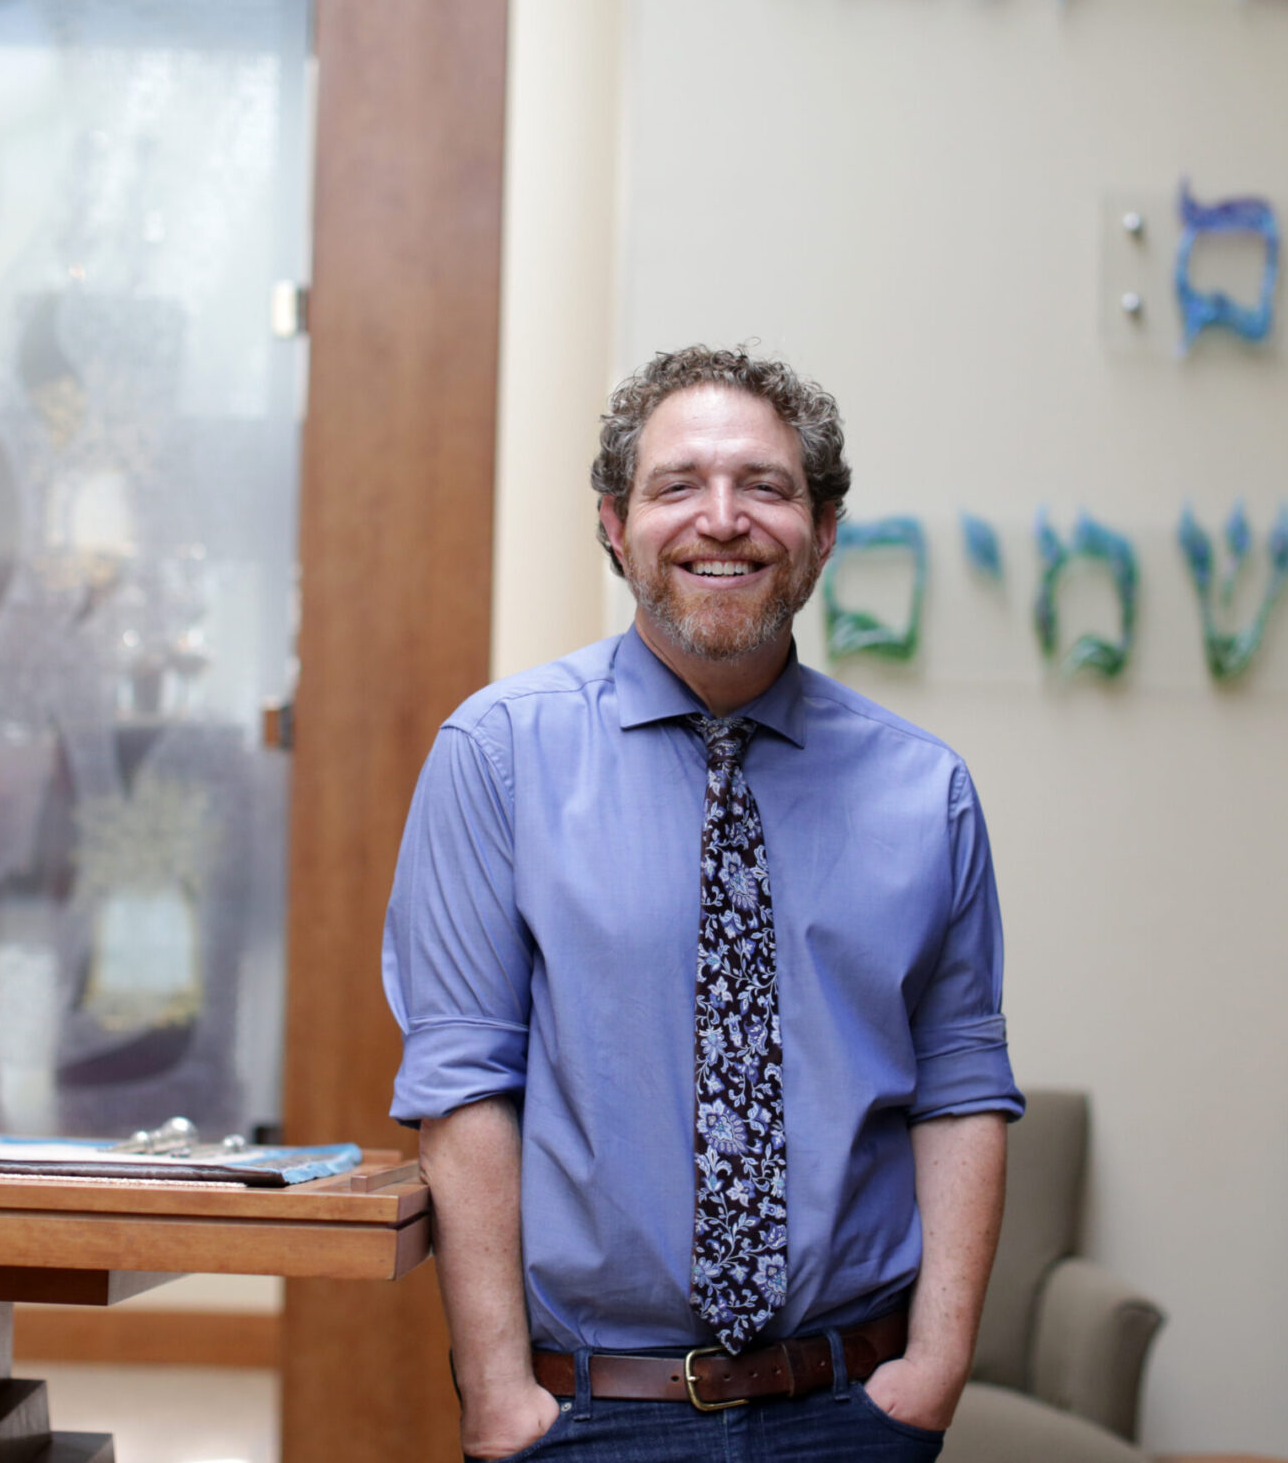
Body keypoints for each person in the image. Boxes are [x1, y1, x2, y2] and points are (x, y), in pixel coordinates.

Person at [383, 346, 1023, 1462]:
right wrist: (498, 1395)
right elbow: (464, 1079)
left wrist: (934, 1372)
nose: (721, 520)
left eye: (765, 487)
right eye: (678, 485)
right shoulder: (496, 759)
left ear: (822, 531)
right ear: (614, 524)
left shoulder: (926, 792)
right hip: (588, 1416)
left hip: (852, 1408)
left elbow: (962, 1087)